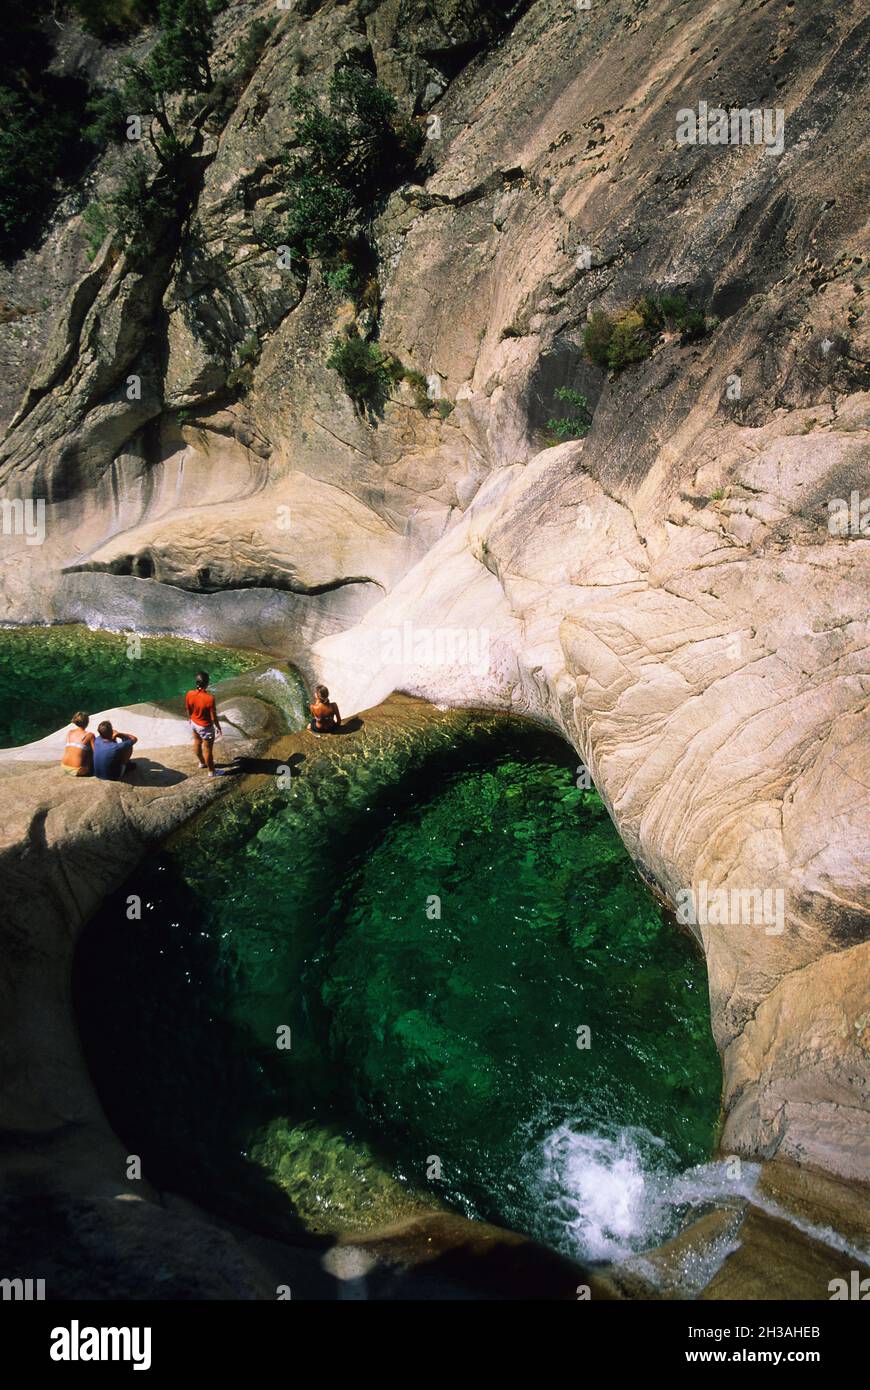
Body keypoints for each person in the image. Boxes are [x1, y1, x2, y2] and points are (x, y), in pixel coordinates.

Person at [185, 670, 223, 776]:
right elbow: (213, 717)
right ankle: (212, 771)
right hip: (205, 726)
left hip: (193, 722)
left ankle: (202, 763)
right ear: (207, 683)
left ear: (196, 682)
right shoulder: (210, 699)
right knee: (207, 749)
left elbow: (188, 709)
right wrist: (218, 727)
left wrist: (191, 718)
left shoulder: (189, 694)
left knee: (197, 742)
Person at [61, 711, 95, 776]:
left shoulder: (70, 732)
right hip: (77, 770)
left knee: (82, 748)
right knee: (90, 750)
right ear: (87, 722)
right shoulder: (90, 735)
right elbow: (96, 752)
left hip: (64, 766)